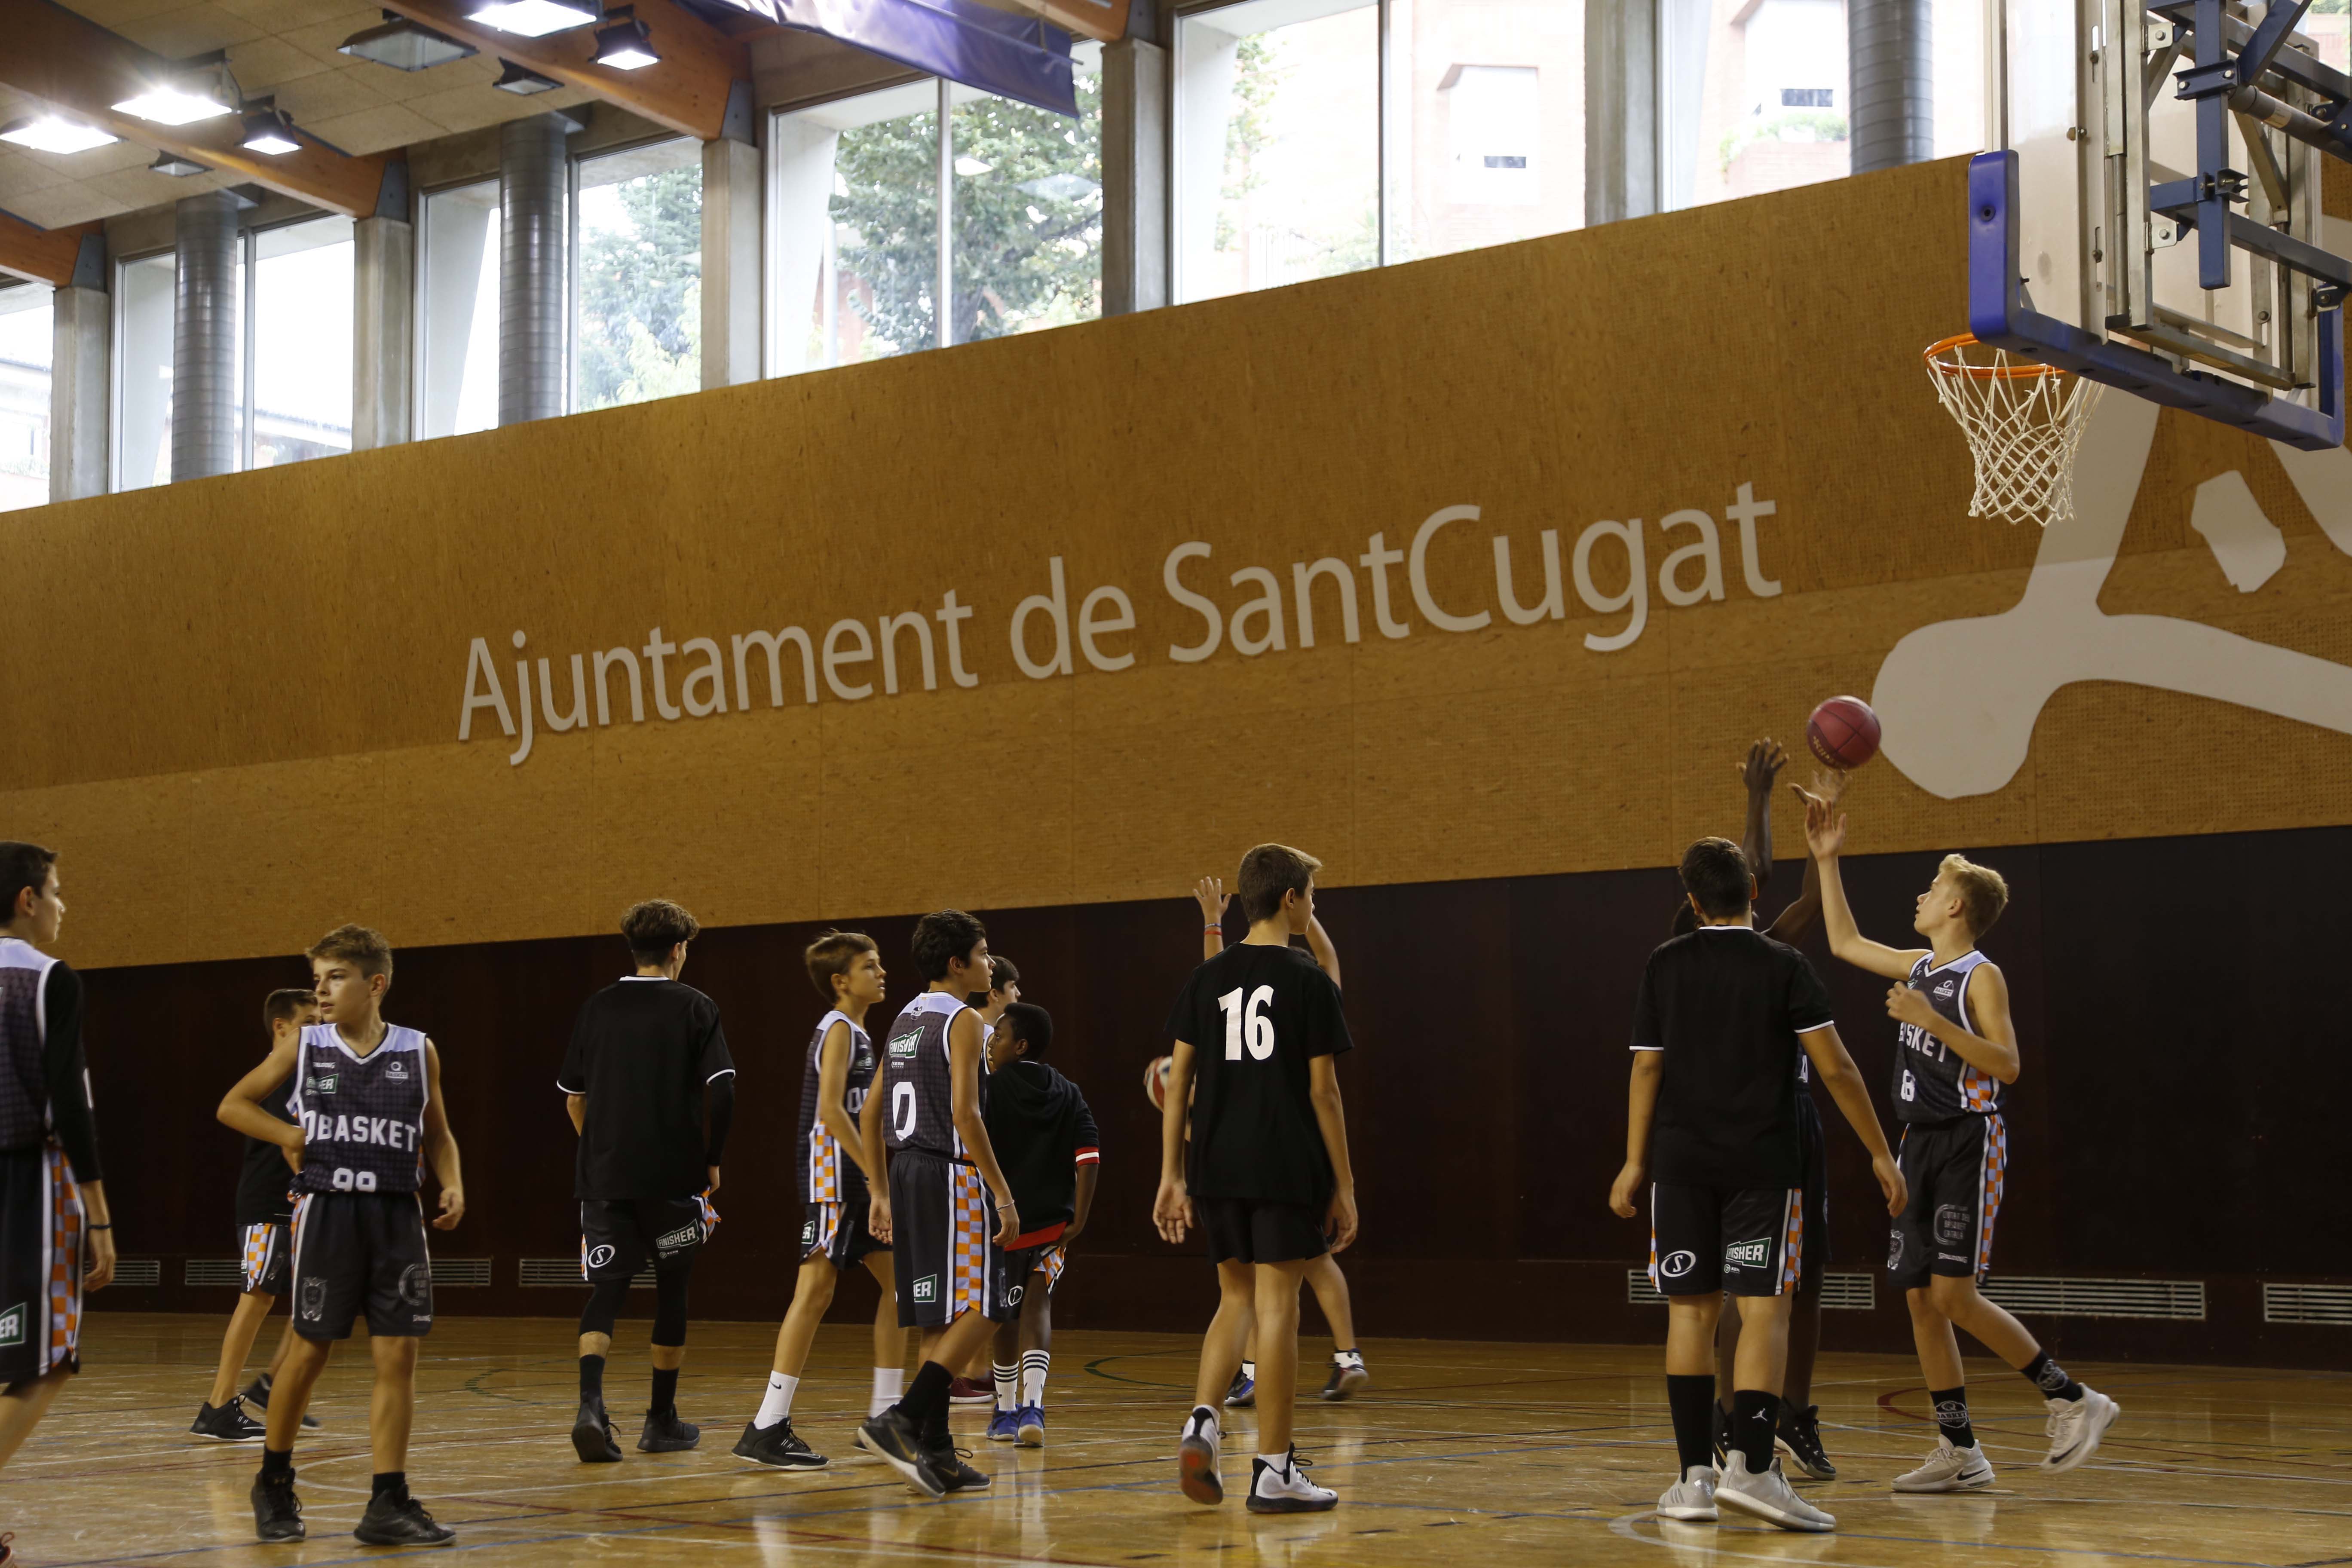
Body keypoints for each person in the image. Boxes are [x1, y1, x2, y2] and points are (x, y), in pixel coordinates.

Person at [1808, 805, 2120, 1490]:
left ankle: (2073, 1398)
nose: (1919, 897)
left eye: (1931, 888)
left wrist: (1931, 1021)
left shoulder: (1981, 975)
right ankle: (1960, 1451)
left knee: (1953, 1295)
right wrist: (1828, 860)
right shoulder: (1919, 965)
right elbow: (1844, 942)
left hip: (1968, 1139)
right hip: (1917, 1141)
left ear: (1955, 905)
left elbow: (2007, 1064)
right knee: (1921, 1302)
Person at [1610, 831, 1905, 1534]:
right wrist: (1879, 1152)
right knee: (1765, 1311)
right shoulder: (1785, 965)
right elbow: (1836, 1068)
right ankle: (1752, 1469)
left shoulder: (1664, 962)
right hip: (1764, 1167)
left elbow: (1646, 1065)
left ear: (1692, 901)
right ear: (1751, 893)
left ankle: (1693, 1479)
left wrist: (1632, 1161)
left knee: (1690, 1315)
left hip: (1681, 1166)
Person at [218, 924, 464, 1546]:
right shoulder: (305, 1046)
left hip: (397, 1214)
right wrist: (288, 1134)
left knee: (398, 1356)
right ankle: (274, 1481)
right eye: (318, 979)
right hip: (328, 1212)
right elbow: (233, 1105)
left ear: (375, 984)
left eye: (336, 978)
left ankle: (388, 1499)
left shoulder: (418, 1049)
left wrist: (453, 1183)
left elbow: (438, 1132)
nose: (322, 991)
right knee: (308, 1352)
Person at [1157, 844, 1358, 1515]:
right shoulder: (1309, 979)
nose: (1312, 908)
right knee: (1278, 1309)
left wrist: (1171, 1174)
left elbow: (1177, 1082)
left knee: (1233, 1298)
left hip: (1214, 1163)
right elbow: (1324, 1093)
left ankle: (1202, 1420)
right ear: (1292, 900)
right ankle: (1274, 1469)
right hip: (1282, 1161)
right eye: (1312, 898)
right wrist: (1345, 1185)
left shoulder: (1207, 977)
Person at [1682, 745, 1841, 1479]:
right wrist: (1765, 802)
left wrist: (1774, 805)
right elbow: (1775, 881)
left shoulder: (1756, 946)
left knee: (1786, 1280)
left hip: (1758, 1122)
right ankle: (1740, 1416)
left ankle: (1783, 1415)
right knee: (1750, 1284)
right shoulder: (1704, 950)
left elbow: (1776, 885)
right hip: (1753, 1127)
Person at [559, 899, 734, 1464]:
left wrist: (601, 1150)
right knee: (672, 1291)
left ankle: (591, 1406)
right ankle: (661, 1421)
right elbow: (723, 1089)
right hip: (672, 1177)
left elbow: (575, 1098)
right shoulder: (696, 1006)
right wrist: (712, 1159)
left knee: (606, 1290)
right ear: (679, 949)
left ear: (633, 949)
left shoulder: (597, 1007)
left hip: (604, 1177)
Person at [854, 910, 1022, 1498]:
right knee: (990, 1302)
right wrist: (1002, 1193)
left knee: (938, 1315)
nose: (990, 963)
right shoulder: (966, 1020)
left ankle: (938, 1451)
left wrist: (879, 1189)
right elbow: (966, 1115)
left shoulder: (905, 1018)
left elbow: (870, 1112)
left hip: (906, 1172)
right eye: (982, 953)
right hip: (950, 1174)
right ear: (957, 963)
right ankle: (900, 1419)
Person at [1193, 876, 1367, 1406]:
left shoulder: (1230, 984)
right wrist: (1303, 916)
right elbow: (1327, 957)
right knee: (1307, 1267)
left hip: (1236, 1152)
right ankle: (1345, 1356)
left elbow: (1219, 976)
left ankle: (1242, 1382)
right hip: (1295, 1154)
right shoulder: (1314, 983)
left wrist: (1214, 922)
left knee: (1249, 1287)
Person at [736, 930, 900, 1469]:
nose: (881, 973)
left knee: (899, 1287)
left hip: (850, 1181)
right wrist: (876, 1179)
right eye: (870, 966)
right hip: (835, 1181)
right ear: (840, 981)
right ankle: (768, 1424)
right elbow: (831, 1111)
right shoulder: (839, 1029)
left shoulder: (857, 1032)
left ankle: (885, 1416)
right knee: (814, 1293)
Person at [0, 843, 117, 1562]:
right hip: (26, 1182)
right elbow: (71, 1105)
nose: (62, 904)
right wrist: (98, 1213)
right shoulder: (47, 979)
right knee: (45, 1360)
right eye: (56, 890)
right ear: (27, 900)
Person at [194, 988, 323, 1441]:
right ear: (281, 1028)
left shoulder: (309, 1072)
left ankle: (270, 1385)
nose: (319, 1030)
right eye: (309, 1023)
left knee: (313, 1298)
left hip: (300, 1201)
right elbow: (235, 1112)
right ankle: (217, 1407)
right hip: (267, 1202)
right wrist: (293, 1140)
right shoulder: (273, 1074)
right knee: (257, 1298)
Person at [977, 1002, 1099, 1447]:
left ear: (1021, 1045)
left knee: (1003, 1315)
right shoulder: (1068, 1090)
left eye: (999, 1036)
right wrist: (1080, 1217)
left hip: (1003, 1222)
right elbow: (1089, 1156)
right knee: (1037, 1305)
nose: (991, 1044)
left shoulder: (990, 1089)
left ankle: (1005, 1412)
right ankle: (1034, 1407)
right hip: (1052, 1225)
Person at [953, 954, 1022, 1407]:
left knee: (981, 1273)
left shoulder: (975, 1031)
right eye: (1014, 987)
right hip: (968, 1166)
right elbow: (973, 1108)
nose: (1019, 995)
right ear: (995, 993)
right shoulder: (978, 1033)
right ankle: (964, 1372)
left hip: (965, 1164)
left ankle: (973, 1371)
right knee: (980, 1275)